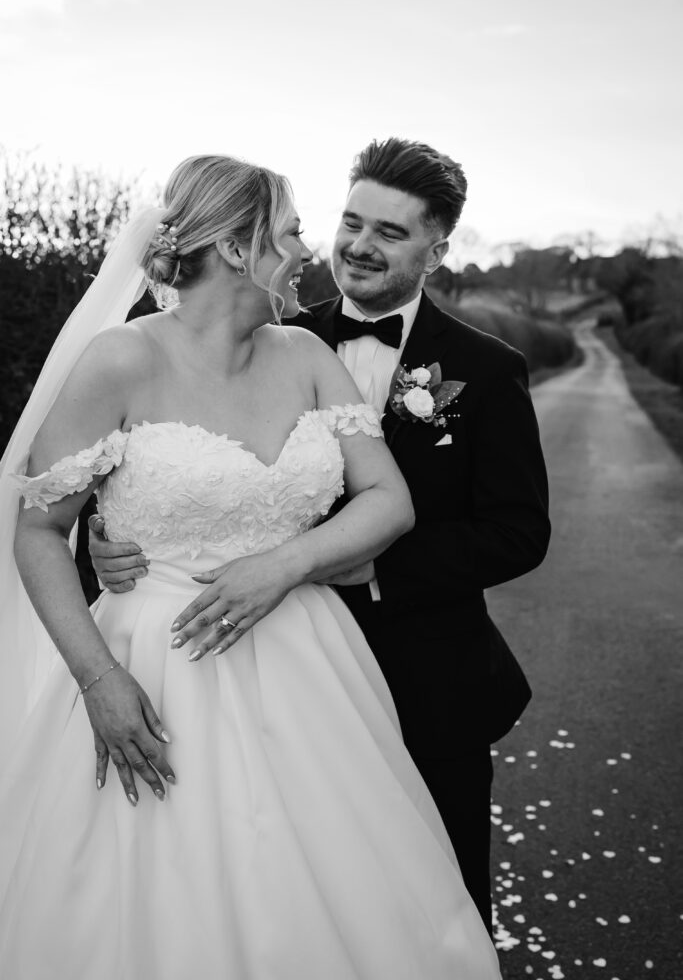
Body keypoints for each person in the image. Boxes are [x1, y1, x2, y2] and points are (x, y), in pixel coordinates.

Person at [0, 154, 501, 978]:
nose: (309, 249)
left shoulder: (304, 355)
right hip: (151, 666)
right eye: (294, 229)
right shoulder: (120, 360)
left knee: (334, 889)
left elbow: (388, 498)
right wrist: (98, 680)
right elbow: (36, 531)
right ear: (238, 249)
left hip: (309, 669)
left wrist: (287, 563)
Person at [90, 138, 550, 932]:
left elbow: (517, 532)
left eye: (390, 233)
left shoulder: (488, 366)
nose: (356, 246)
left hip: (425, 674)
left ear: (436, 251)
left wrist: (360, 571)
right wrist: (108, 539)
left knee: (434, 905)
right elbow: (146, 476)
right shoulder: (268, 335)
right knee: (251, 889)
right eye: (349, 221)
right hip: (246, 668)